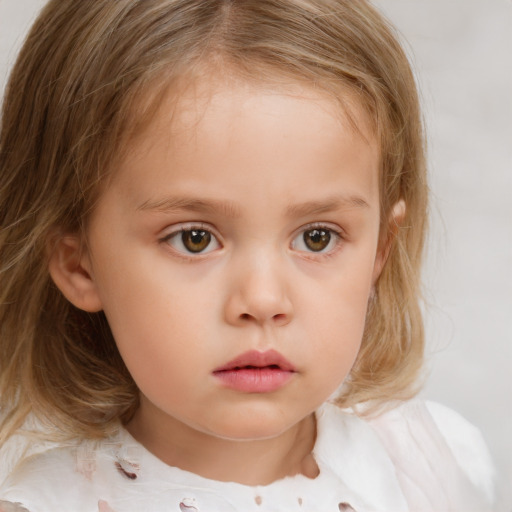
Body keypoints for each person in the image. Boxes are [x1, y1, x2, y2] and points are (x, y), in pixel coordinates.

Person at [0, 0, 496, 510]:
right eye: (194, 238)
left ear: (380, 250)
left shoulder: (430, 467)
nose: (262, 299)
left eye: (317, 237)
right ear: (79, 264)